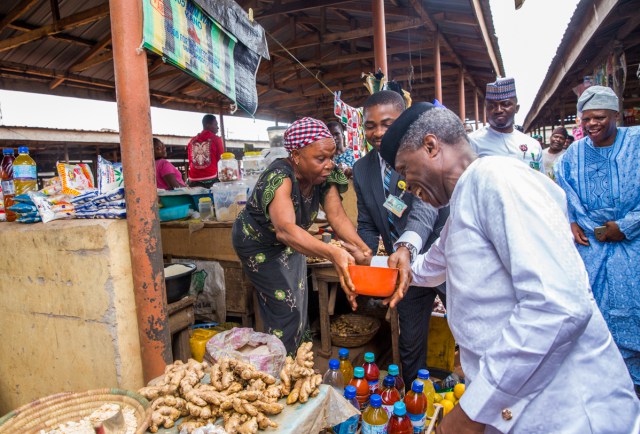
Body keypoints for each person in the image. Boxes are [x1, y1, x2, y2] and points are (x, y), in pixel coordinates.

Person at [378, 103, 640, 433]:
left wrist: (470, 414)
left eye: (405, 170)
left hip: (567, 411)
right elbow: (431, 264)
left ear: (431, 147)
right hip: (525, 407)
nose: (405, 184)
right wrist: (398, 265)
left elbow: (558, 307)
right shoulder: (465, 198)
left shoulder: (497, 180)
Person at [232, 117, 371, 354]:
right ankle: (279, 366)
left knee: (299, 299)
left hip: (291, 241)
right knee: (285, 307)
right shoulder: (279, 177)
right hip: (258, 245)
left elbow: (336, 216)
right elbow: (285, 229)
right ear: (296, 156)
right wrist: (332, 251)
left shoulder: (324, 176)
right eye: (320, 159)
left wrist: (361, 247)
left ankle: (298, 357)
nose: (329, 164)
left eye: (332, 157)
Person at [352, 91, 448, 387]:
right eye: (370, 125)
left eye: (387, 123)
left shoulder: (422, 156)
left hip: (442, 256)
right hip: (403, 269)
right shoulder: (362, 169)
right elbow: (368, 221)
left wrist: (406, 247)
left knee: (469, 328)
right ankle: (413, 402)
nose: (378, 132)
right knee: (409, 340)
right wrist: (364, 257)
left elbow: (426, 209)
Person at [554, 85, 640, 398]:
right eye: (586, 118)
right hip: (593, 247)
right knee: (592, 318)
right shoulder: (574, 153)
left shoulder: (637, 143)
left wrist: (627, 225)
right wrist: (572, 220)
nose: (591, 124)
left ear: (616, 114)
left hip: (634, 247)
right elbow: (562, 191)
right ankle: (603, 389)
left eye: (600, 117)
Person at [469, 77, 544, 173]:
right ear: (486, 110)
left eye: (505, 104)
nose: (498, 110)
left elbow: (541, 182)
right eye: (491, 106)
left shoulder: (533, 145)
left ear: (516, 108)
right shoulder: (472, 142)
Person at [187, 114, 224, 187]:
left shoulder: (192, 141)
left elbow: (190, 161)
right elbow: (221, 161)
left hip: (193, 180)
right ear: (208, 125)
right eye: (215, 124)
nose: (218, 127)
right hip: (211, 180)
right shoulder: (216, 139)